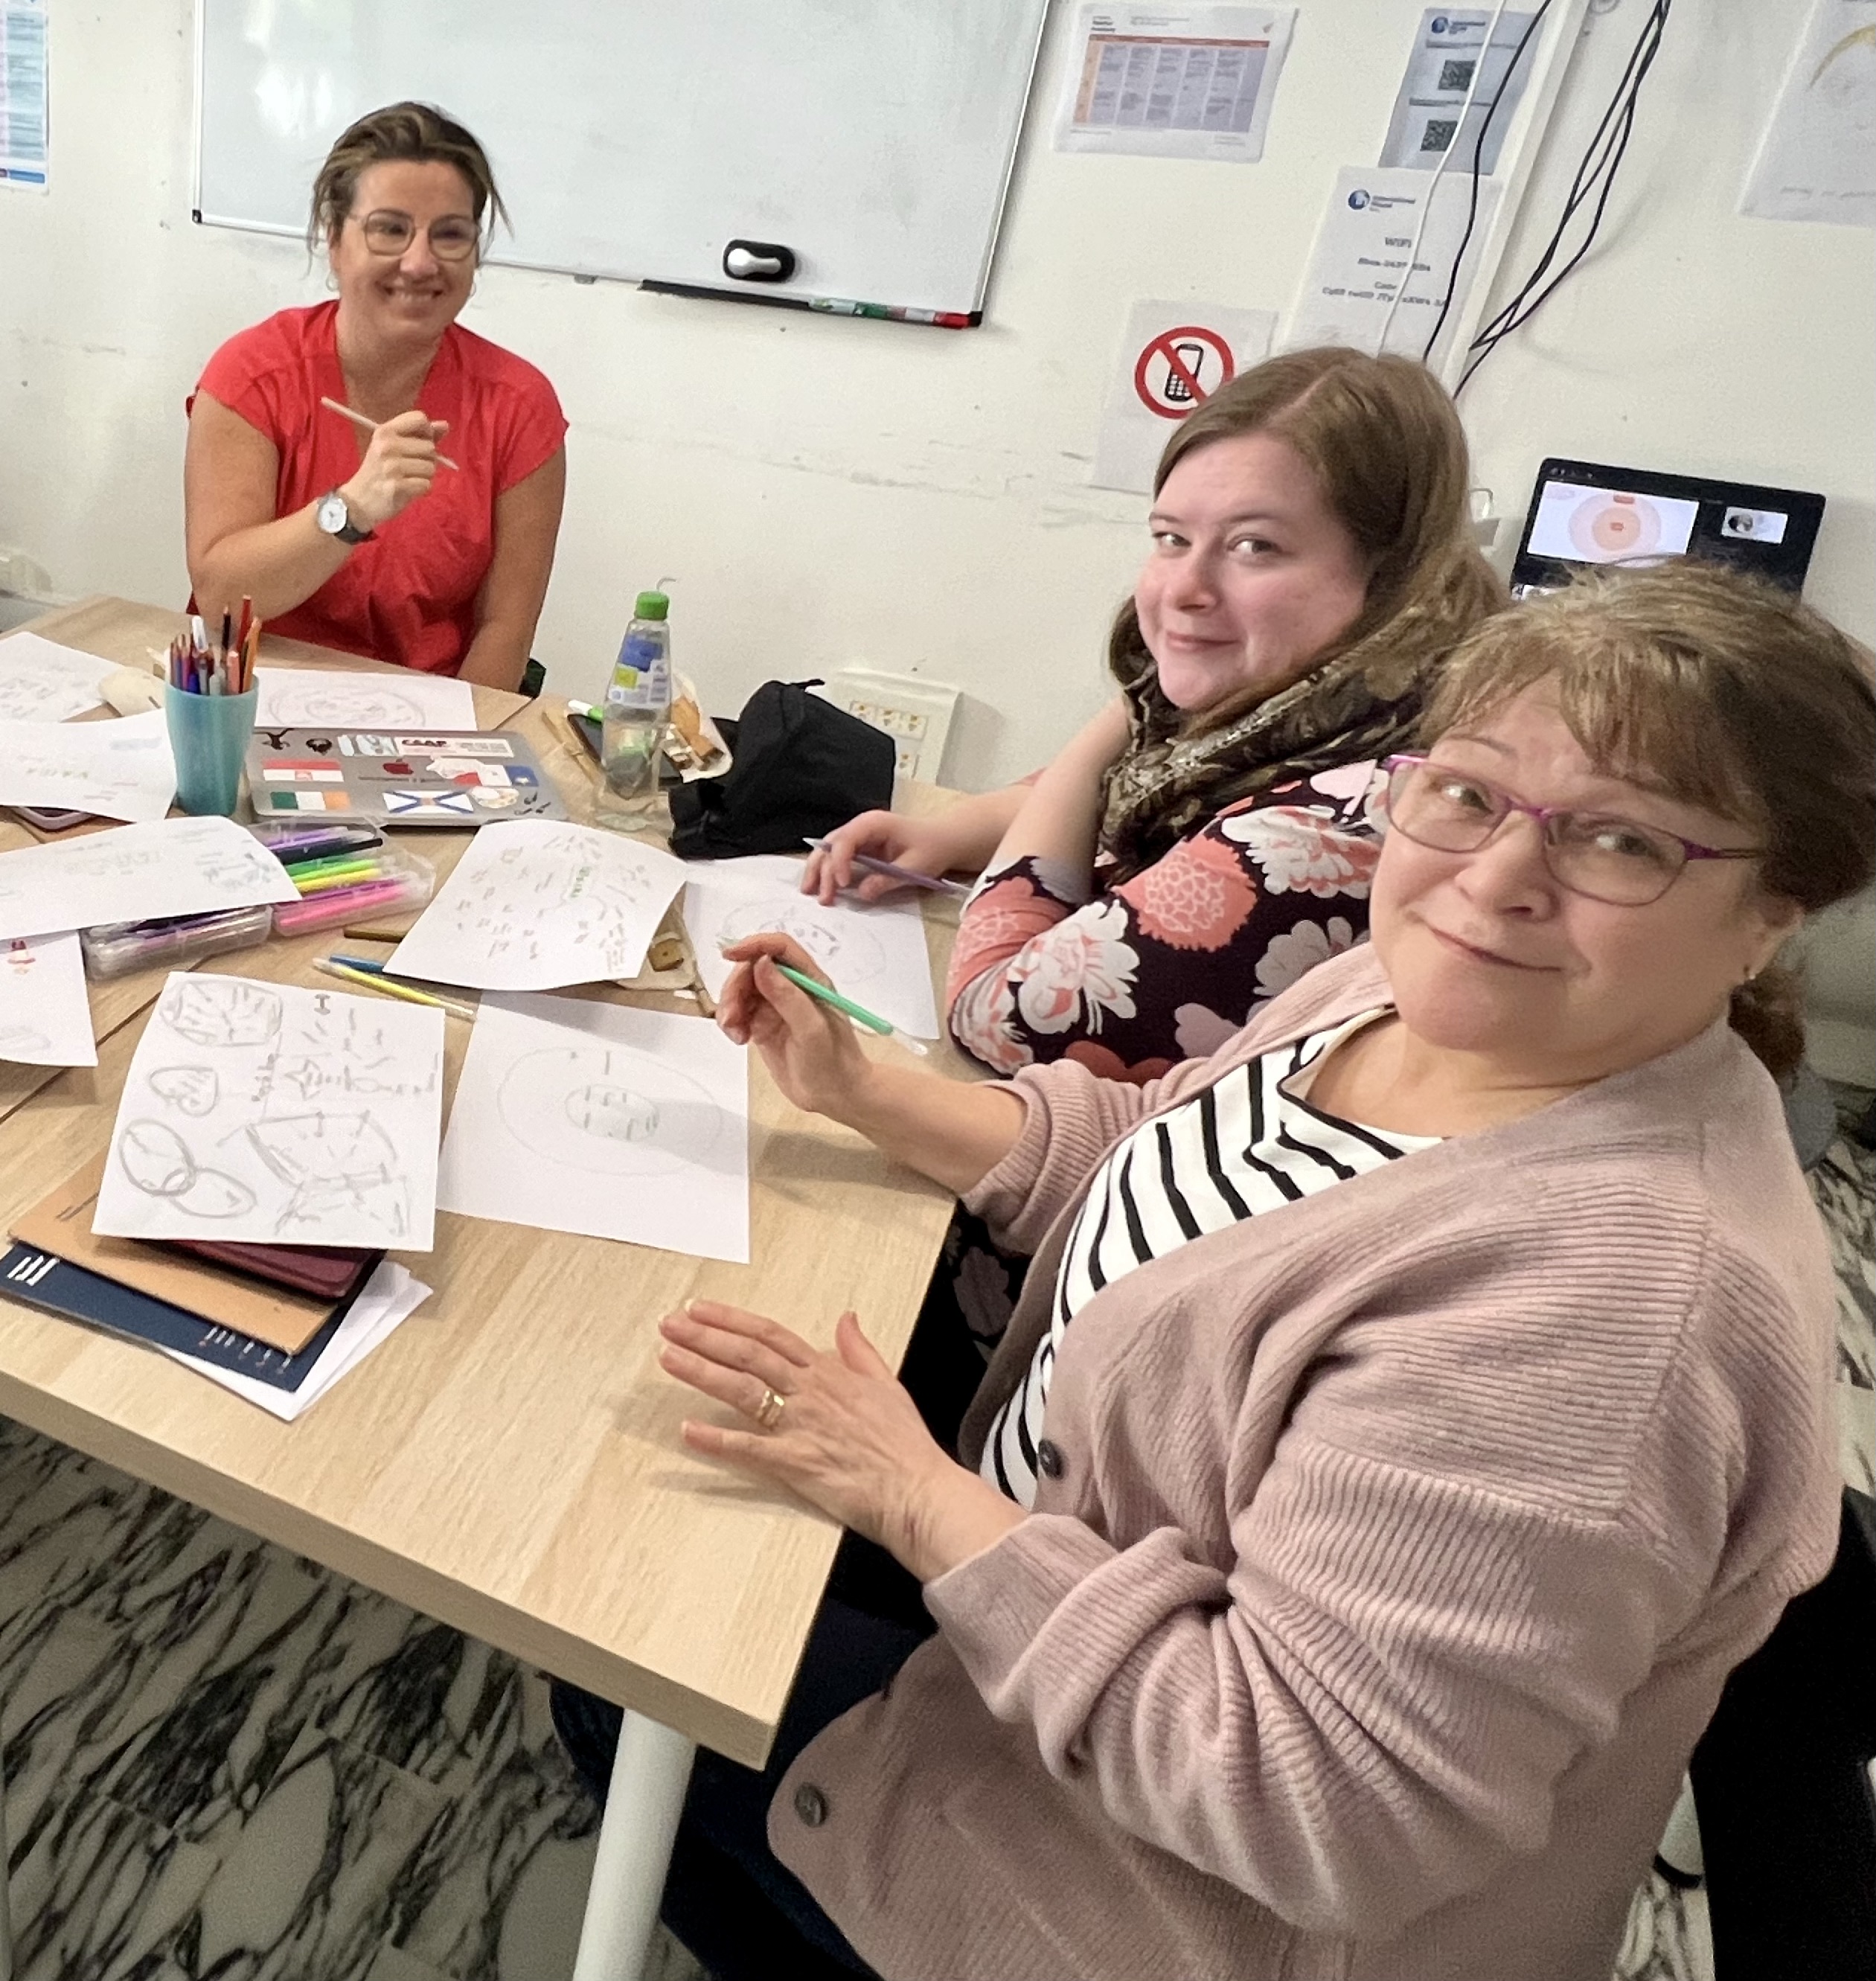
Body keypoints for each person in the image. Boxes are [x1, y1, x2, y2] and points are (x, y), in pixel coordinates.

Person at [557, 563, 1873, 1981]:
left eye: (1621, 842)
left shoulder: (1601, 1317)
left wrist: (914, 1494)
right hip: (1065, 1562)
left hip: (1172, 1894)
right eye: (1469, 791)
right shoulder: (1405, 993)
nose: (1494, 879)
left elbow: (1313, 1810)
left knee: (626, 1672)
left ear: (1771, 912)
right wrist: (869, 1091)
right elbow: (1172, 1145)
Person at [804, 345, 1504, 1084]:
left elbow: (999, 1016)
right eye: (1171, 538)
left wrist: (1135, 694)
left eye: (1254, 546)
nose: (1184, 589)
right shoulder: (1311, 709)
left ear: (1393, 578)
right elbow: (1113, 798)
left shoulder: (1341, 829)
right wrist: (952, 832)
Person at [183, 102, 566, 689]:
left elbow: (505, 630)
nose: (419, 262)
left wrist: (453, 741)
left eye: (450, 234)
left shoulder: (519, 407)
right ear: (335, 240)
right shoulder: (253, 376)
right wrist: (352, 508)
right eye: (390, 229)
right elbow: (222, 601)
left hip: (429, 714)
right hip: (251, 700)